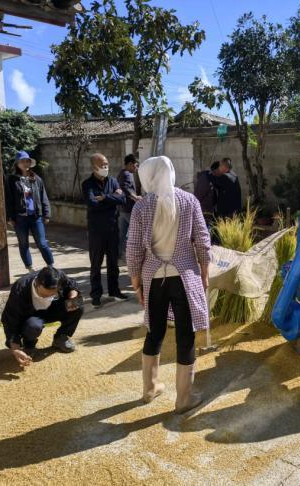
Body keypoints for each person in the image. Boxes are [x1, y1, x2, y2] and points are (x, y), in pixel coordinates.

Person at [127, 156, 211, 414]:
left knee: (155, 330)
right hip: (185, 277)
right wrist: (205, 273)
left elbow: (132, 249)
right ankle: (183, 399)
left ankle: (149, 389)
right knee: (185, 335)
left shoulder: (141, 207)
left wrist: (136, 282)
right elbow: (202, 240)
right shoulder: (189, 201)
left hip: (154, 278)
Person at [1, 266, 84, 366]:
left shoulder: (58, 276)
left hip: (52, 308)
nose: (49, 296)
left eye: (53, 293)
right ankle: (29, 345)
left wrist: (72, 296)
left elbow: (72, 284)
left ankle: (61, 337)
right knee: (33, 326)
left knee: (78, 305)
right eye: (45, 294)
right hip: (31, 315)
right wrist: (15, 348)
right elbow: (10, 318)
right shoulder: (20, 287)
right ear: (37, 284)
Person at [82, 153, 127, 307]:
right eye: (102, 165)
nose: (105, 167)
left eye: (106, 164)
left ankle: (114, 290)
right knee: (96, 264)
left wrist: (104, 198)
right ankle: (96, 294)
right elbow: (92, 203)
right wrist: (112, 197)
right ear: (94, 166)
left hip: (113, 228)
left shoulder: (113, 181)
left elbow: (122, 199)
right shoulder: (87, 184)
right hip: (96, 231)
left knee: (113, 262)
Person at [5, 151, 54, 273]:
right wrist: (10, 217)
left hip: (36, 216)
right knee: (23, 243)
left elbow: (44, 196)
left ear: (29, 163)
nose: (25, 163)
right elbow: (8, 199)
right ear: (17, 164)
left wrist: (46, 213)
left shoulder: (36, 179)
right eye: (22, 161)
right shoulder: (11, 180)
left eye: (26, 160)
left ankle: (51, 265)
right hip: (20, 217)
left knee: (42, 243)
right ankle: (29, 268)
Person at [117, 154, 141, 260]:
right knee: (135, 233)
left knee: (123, 234)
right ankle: (133, 256)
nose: (137, 168)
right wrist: (135, 197)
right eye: (136, 165)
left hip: (123, 209)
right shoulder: (126, 174)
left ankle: (118, 255)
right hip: (128, 209)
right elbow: (124, 188)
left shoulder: (123, 173)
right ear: (130, 164)